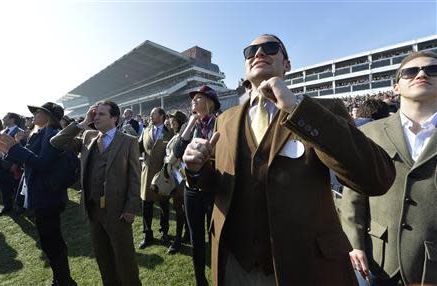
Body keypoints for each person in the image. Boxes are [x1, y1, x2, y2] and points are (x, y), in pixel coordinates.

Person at [181, 34, 395, 285]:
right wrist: (195, 170)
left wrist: (296, 108)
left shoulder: (322, 111)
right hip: (234, 263)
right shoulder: (225, 120)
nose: (258, 53)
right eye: (250, 51)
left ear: (288, 64)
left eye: (270, 48)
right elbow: (218, 184)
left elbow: (376, 178)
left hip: (305, 268)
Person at [341, 51, 437, 286]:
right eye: (411, 72)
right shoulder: (370, 132)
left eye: (432, 70)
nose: (421, 74)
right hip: (378, 260)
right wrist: (354, 243)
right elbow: (354, 194)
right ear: (396, 87)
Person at [50, 100, 141, 286]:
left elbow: (134, 179)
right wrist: (82, 124)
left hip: (118, 212)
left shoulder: (128, 141)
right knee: (103, 258)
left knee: (125, 259)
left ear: (115, 118)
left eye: (101, 114)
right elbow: (56, 142)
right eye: (95, 113)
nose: (96, 117)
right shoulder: (88, 136)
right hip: (93, 211)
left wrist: (130, 208)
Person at [0, 102, 76, 286]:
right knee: (48, 241)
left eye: (38, 112)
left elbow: (43, 164)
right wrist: (10, 150)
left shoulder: (52, 134)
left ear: (49, 116)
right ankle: (61, 278)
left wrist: (15, 147)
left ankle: (64, 281)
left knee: (52, 240)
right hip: (40, 194)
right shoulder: (39, 134)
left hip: (48, 195)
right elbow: (29, 161)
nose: (34, 115)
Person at [174, 85, 220, 286]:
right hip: (191, 188)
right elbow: (177, 152)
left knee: (215, 236)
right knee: (196, 236)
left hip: (213, 188)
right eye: (193, 99)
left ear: (209, 102)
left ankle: (219, 275)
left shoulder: (220, 123)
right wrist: (189, 125)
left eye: (198, 98)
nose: (193, 101)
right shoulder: (191, 125)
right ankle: (200, 279)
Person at [138, 107, 174, 249]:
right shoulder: (145, 130)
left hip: (162, 174)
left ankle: (164, 232)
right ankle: (147, 234)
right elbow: (139, 147)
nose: (150, 116)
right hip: (147, 173)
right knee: (146, 205)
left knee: (164, 204)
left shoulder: (169, 132)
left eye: (153, 114)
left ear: (161, 116)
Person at [0, 112, 24, 218]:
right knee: (4, 187)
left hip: (13, 165)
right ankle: (7, 207)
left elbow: (20, 149)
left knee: (17, 186)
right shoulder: (3, 131)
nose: (3, 119)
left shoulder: (20, 132)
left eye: (5, 117)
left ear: (12, 119)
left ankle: (20, 207)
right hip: (0, 164)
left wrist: (15, 164)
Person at [165, 110, 189, 254]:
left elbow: (174, 156)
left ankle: (179, 239)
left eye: (174, 120)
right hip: (176, 174)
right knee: (180, 208)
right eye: (171, 120)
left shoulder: (183, 135)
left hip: (181, 175)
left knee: (180, 209)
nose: (172, 122)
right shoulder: (176, 135)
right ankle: (186, 234)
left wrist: (166, 159)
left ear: (180, 121)